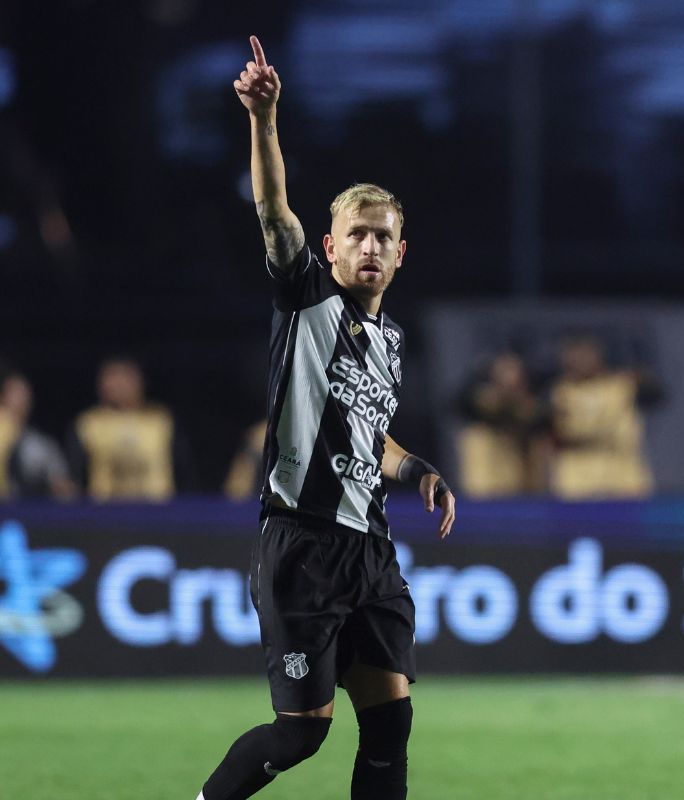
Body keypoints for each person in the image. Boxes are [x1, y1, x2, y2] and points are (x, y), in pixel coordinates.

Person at [197, 36, 456, 800]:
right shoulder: (309, 299)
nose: (370, 246)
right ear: (331, 247)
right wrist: (266, 119)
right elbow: (273, 211)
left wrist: (416, 469)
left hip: (369, 550)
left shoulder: (391, 340)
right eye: (358, 234)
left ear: (400, 253)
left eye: (384, 236)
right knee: (304, 731)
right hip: (301, 547)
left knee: (390, 722)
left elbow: (365, 432)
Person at [548, 332, 660, 499]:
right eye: (576, 356)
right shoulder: (560, 392)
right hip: (578, 481)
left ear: (599, 356)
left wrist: (639, 376)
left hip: (622, 478)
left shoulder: (621, 385)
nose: (582, 361)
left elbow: (658, 393)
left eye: (587, 355)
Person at [70, 356, 184, 501]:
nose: (117, 385)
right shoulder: (88, 423)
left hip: (157, 511)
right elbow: (76, 474)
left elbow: (183, 470)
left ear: (139, 382)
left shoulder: (161, 420)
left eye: (124, 377)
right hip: (103, 511)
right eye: (110, 378)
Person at [456, 351, 550, 497]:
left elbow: (538, 420)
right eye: (504, 370)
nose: (510, 377)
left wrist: (516, 401)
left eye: (514, 370)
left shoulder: (529, 404)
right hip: (483, 483)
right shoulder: (479, 397)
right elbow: (460, 405)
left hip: (518, 483)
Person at [0, 368, 77, 501]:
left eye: (24, 394)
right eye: (14, 394)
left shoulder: (40, 445)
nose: (21, 400)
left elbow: (63, 486)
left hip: (26, 513)